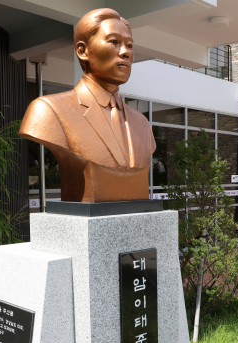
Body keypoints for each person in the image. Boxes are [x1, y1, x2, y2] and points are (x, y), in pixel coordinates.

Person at [19, 8, 156, 203]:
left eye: (130, 45)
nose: (125, 52)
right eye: (114, 42)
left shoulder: (142, 123)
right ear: (83, 51)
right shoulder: (49, 110)